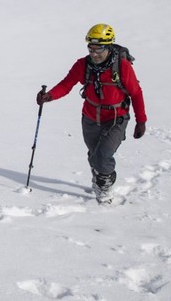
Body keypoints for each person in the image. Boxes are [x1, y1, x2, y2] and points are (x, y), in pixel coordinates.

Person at [36, 24, 147, 204]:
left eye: (99, 49)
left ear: (109, 46)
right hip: (90, 117)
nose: (94, 53)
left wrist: (140, 121)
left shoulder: (122, 67)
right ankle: (99, 176)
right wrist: (49, 96)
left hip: (115, 118)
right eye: (91, 48)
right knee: (94, 154)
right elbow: (67, 84)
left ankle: (105, 188)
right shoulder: (83, 64)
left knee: (103, 156)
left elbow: (136, 93)